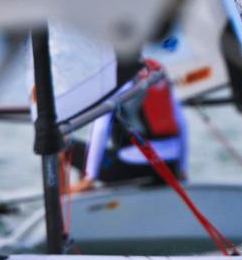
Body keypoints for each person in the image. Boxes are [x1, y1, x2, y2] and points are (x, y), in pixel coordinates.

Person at [68, 59, 188, 192]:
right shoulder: (157, 73)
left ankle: (64, 200)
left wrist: (90, 177)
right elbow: (182, 124)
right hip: (170, 166)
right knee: (91, 155)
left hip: (133, 166)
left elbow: (101, 128)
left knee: (63, 145)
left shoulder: (117, 79)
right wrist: (181, 169)